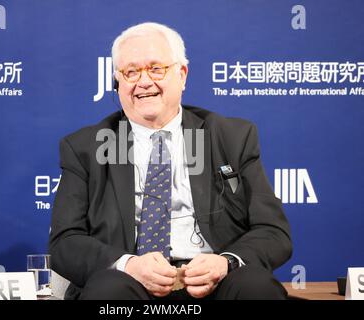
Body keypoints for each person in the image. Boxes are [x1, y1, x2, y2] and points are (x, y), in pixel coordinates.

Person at [49, 22, 292, 300]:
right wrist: (129, 265)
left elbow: (273, 232)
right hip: (129, 284)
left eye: (156, 68)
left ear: (182, 74)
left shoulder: (232, 137)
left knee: (255, 288)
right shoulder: (85, 147)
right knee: (109, 292)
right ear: (118, 82)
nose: (143, 82)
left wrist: (225, 262)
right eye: (131, 72)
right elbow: (65, 243)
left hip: (213, 283)